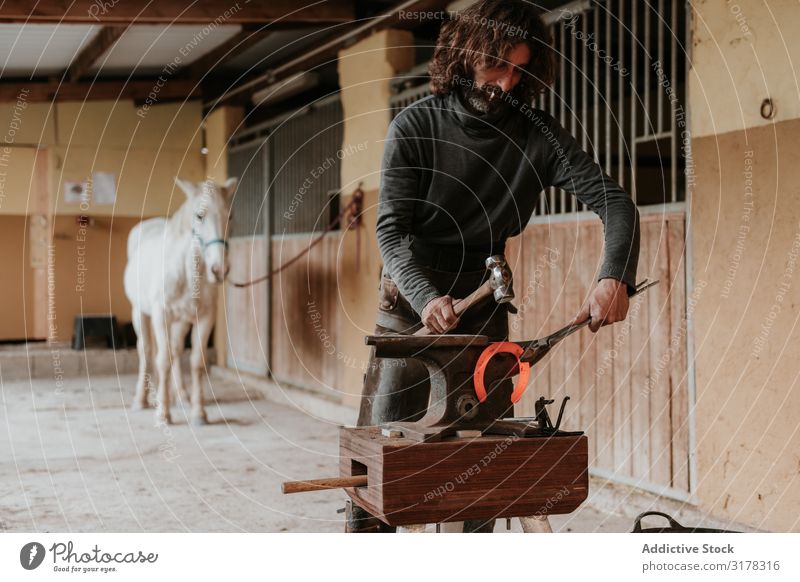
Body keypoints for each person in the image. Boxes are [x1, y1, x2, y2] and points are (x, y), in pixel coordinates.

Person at [349, 0, 640, 533]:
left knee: (481, 481)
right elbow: (389, 231)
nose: (506, 84)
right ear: (464, 56)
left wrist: (612, 274)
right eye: (495, 66)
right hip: (410, 313)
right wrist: (425, 297)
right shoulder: (415, 126)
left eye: (519, 70)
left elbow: (615, 202)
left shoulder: (538, 136)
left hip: (485, 313)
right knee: (376, 478)